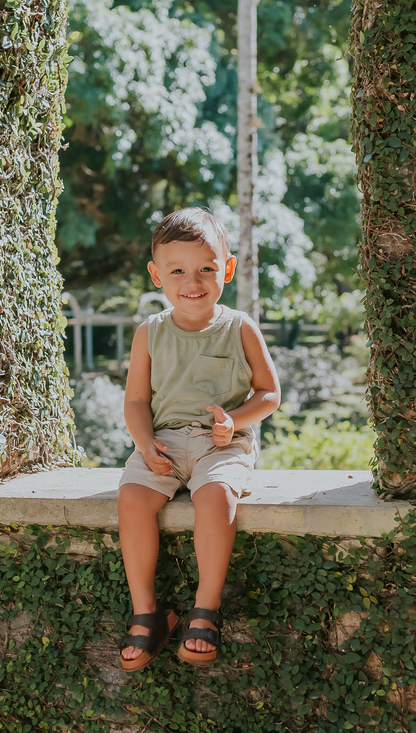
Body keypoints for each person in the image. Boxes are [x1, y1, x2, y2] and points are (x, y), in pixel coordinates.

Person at [116, 208, 281, 670]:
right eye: (178, 271)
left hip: (222, 444)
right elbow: (135, 403)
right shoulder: (149, 333)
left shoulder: (240, 326)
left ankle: (205, 610)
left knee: (215, 496)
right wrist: (146, 444)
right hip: (164, 441)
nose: (194, 281)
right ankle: (147, 612)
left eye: (207, 268)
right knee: (131, 500)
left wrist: (235, 420)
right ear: (156, 276)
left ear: (226, 269)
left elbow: (269, 393)